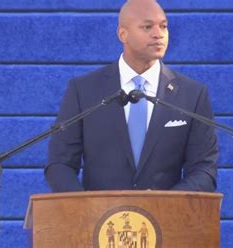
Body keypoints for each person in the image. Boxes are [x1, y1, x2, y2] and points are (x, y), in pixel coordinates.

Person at [45, 0, 219, 192]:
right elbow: (60, 164)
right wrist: (87, 210)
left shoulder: (192, 95)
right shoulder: (83, 90)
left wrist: (165, 205)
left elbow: (204, 170)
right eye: (147, 27)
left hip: (166, 218)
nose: (158, 34)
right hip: (99, 219)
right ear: (123, 34)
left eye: (163, 26)